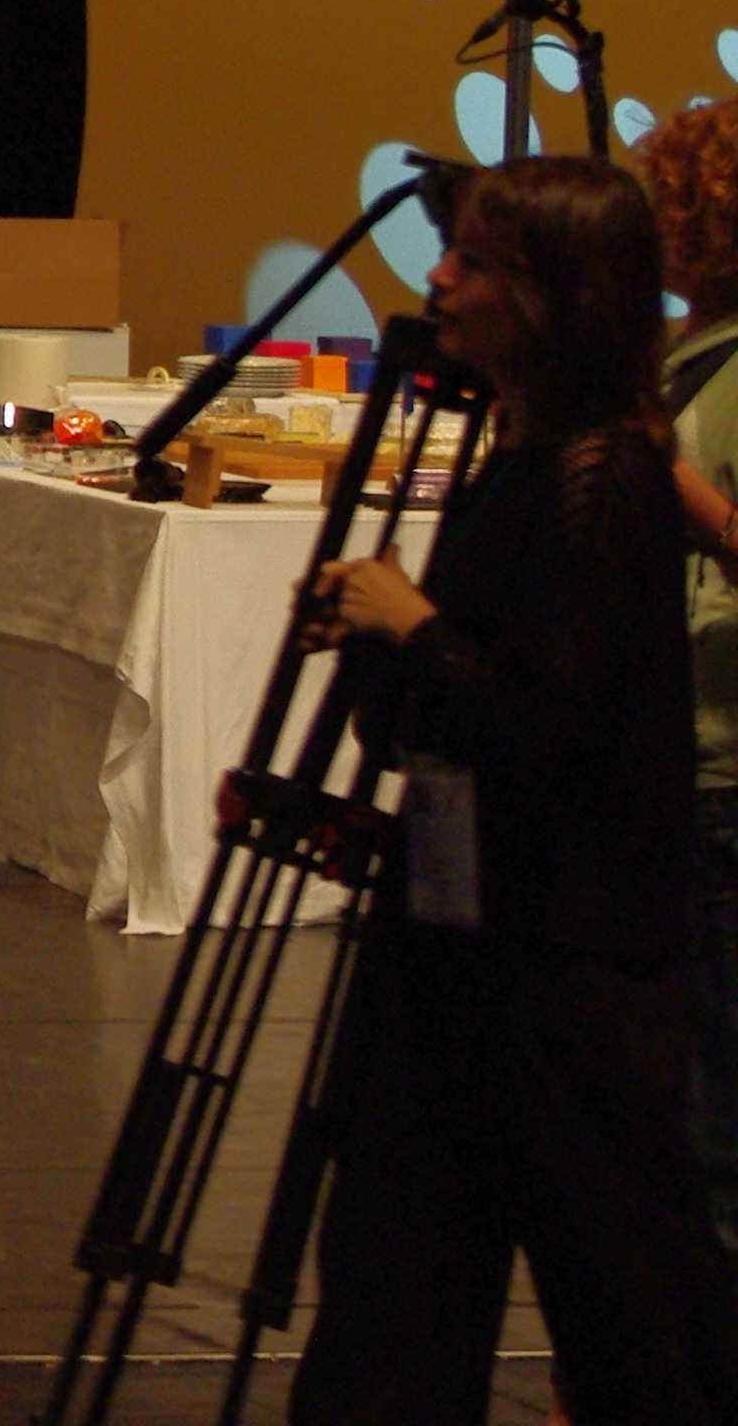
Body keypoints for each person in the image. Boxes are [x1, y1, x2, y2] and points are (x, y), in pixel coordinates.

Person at [289, 156, 738, 1421]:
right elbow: (448, 720)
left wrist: (414, 628)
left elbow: (546, 729)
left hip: (559, 976)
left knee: (627, 1304)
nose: (437, 277)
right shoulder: (526, 462)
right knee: (396, 1289)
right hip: (468, 952)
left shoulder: (600, 479)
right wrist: (382, 640)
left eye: (474, 260)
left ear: (552, 298)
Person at [641, 100, 738, 1263]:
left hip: (723, 766)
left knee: (715, 1124)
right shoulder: (683, 357)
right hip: (673, 757)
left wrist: (682, 493)